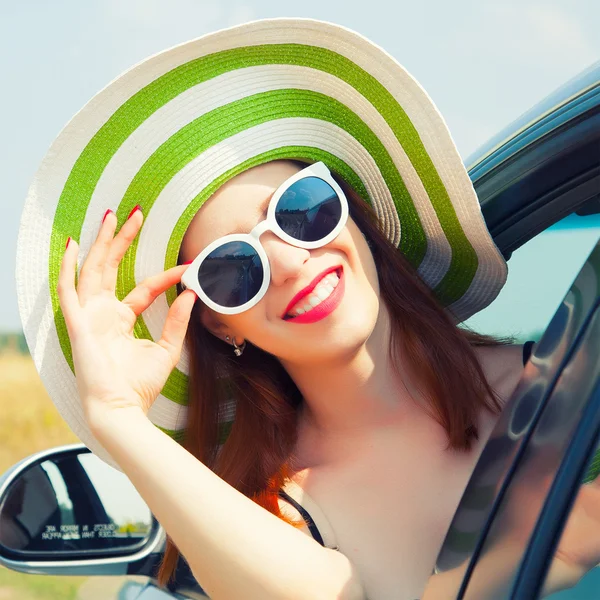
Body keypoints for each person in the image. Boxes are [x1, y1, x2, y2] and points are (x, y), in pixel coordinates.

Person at [16, 18, 599, 600]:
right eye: (234, 268)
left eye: (302, 211)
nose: (292, 263)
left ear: (354, 214)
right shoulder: (280, 512)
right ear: (218, 323)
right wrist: (118, 418)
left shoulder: (579, 384)